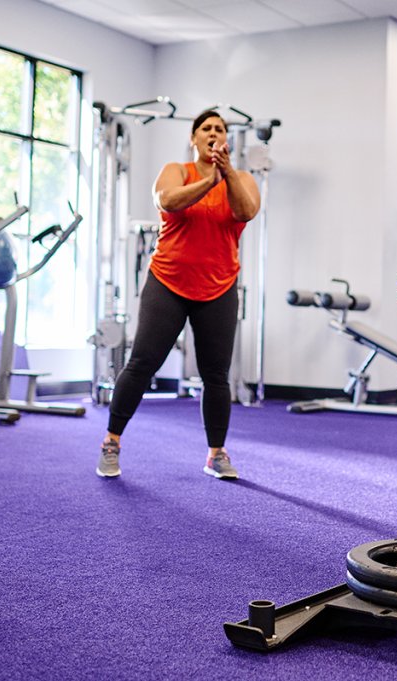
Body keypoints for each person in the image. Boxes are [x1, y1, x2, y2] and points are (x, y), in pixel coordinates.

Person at [97, 109, 260, 480]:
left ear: (226, 140)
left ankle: (216, 454)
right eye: (206, 128)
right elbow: (168, 201)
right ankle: (111, 441)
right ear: (194, 138)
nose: (213, 133)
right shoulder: (177, 170)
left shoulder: (242, 179)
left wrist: (227, 173)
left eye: (220, 129)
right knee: (141, 364)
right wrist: (210, 180)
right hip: (167, 282)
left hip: (218, 286)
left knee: (216, 375)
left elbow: (246, 210)